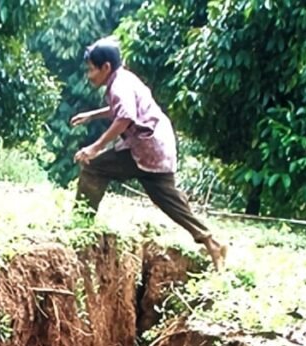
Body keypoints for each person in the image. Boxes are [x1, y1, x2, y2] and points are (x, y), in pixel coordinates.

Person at [71, 38, 227, 270]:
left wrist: (95, 147)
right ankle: (211, 242)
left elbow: (125, 117)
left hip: (144, 148)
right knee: (167, 198)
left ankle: (80, 225)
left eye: (92, 69)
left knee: (94, 167)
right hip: (159, 147)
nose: (89, 75)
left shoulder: (119, 85)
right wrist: (92, 115)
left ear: (106, 68)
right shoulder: (124, 79)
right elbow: (121, 109)